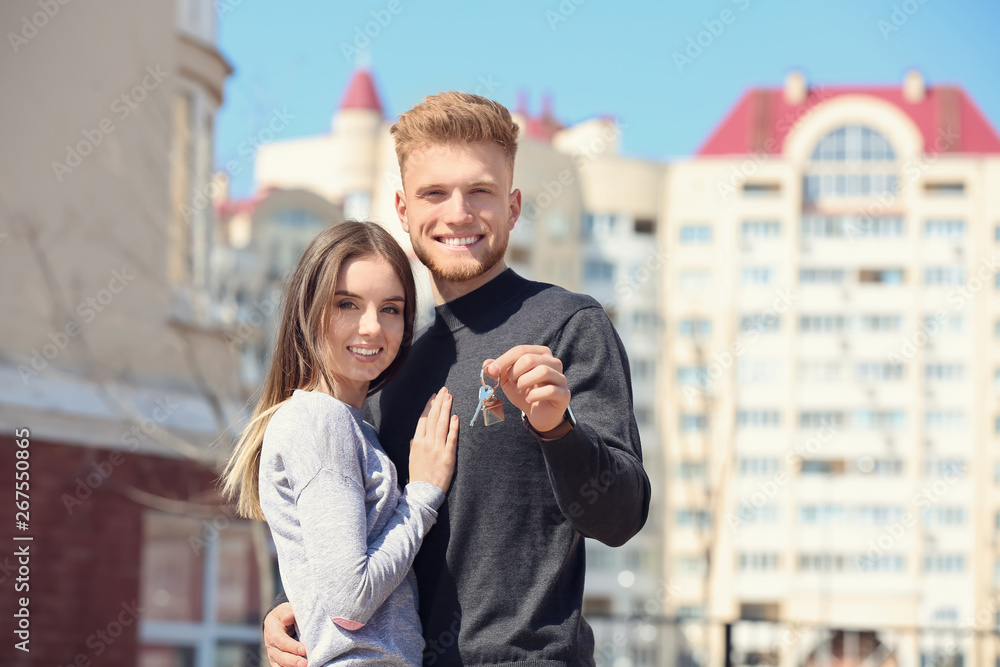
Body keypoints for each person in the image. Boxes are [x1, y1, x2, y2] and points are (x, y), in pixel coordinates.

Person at [265, 92, 651, 667]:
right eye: (434, 193)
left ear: (514, 206)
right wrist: (295, 608)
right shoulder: (390, 366)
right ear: (402, 209)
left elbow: (621, 517)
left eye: (480, 191)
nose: (458, 213)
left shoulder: (569, 325)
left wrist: (557, 429)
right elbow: (360, 535)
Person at [221, 221, 459, 665]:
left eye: (391, 308)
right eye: (347, 303)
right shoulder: (321, 420)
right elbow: (350, 602)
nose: (372, 327)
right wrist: (424, 495)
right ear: (309, 311)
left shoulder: (349, 422)